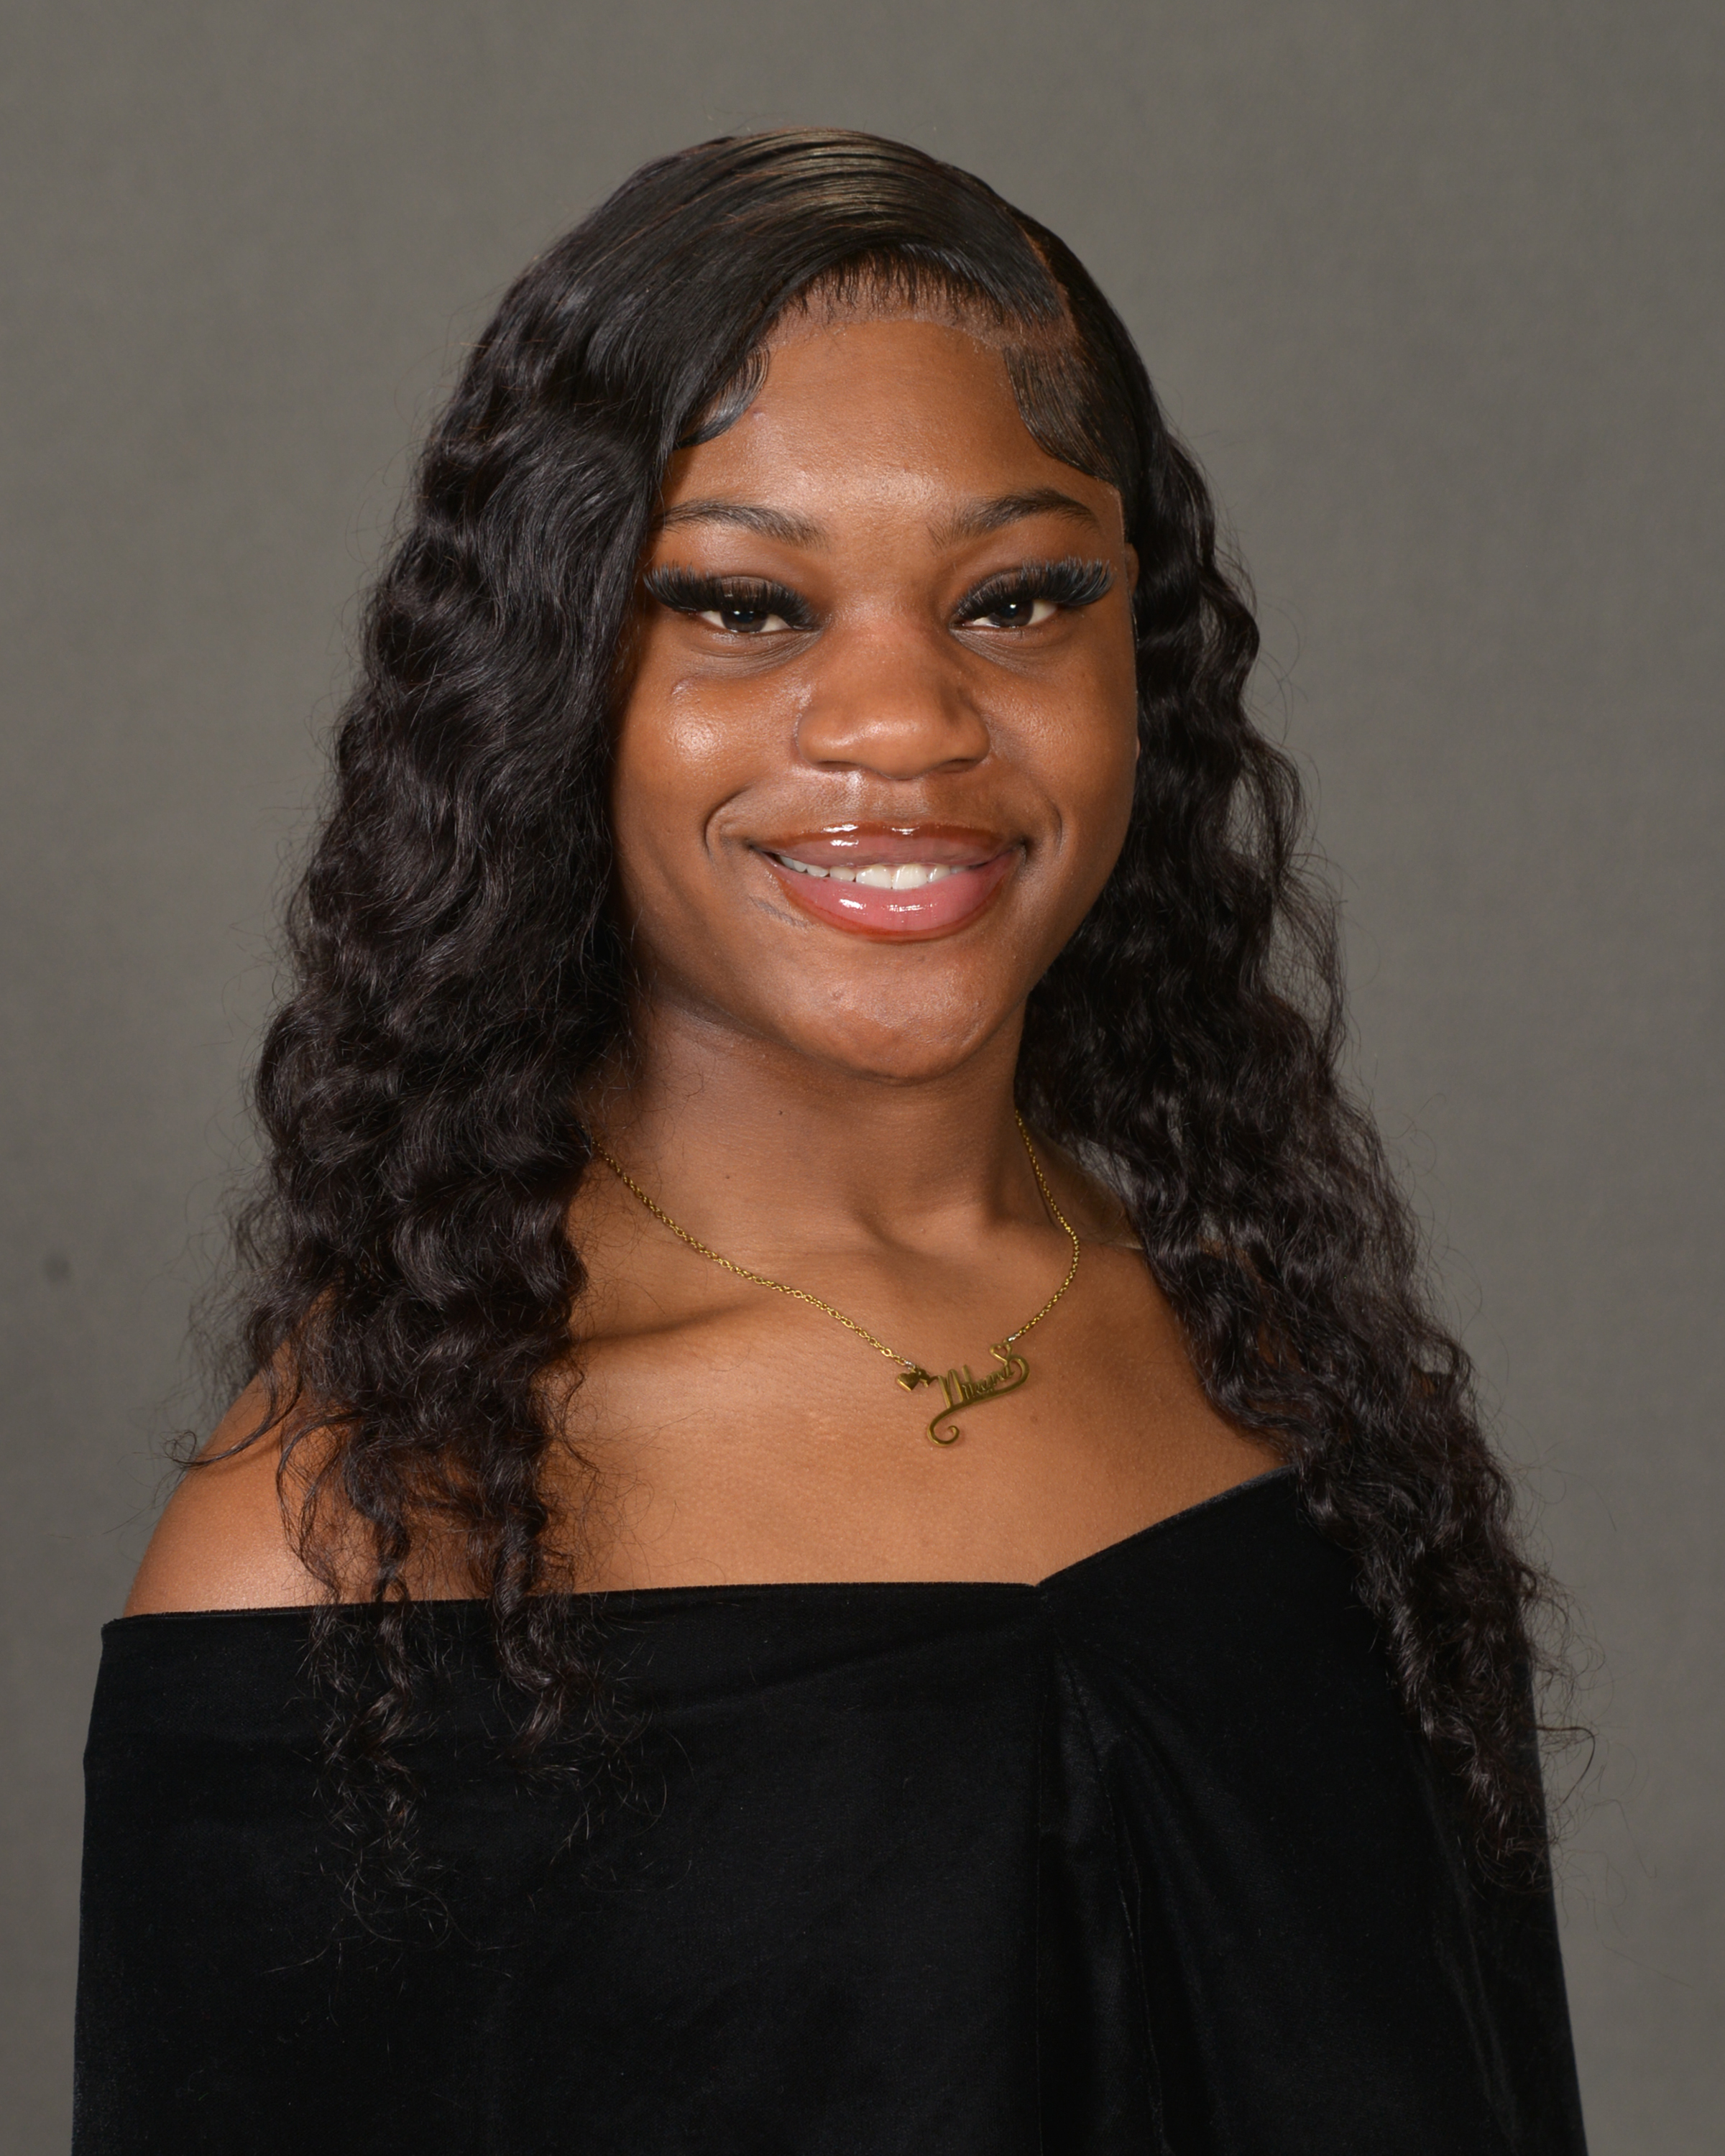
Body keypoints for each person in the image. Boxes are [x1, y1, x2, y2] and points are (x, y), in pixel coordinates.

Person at [73, 130, 1586, 2152]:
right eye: (747, 606)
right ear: (550, 686)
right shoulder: (351, 1550)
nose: (903, 722)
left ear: (1142, 660)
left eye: (1017, 598)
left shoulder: (1296, 1393)